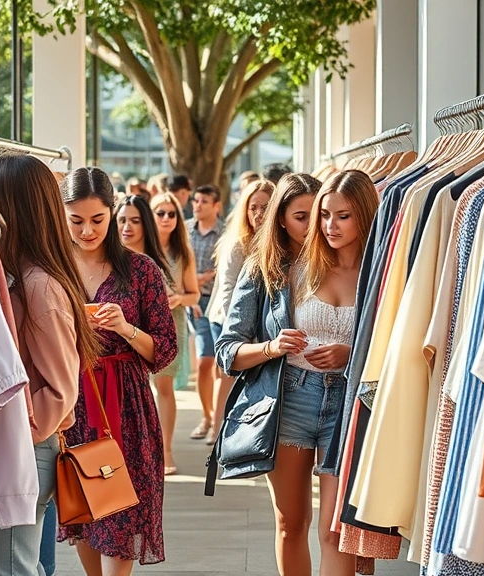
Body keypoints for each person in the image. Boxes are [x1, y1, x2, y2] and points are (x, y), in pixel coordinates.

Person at [218, 171, 374, 576]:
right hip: (290, 399)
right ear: (282, 219)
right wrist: (272, 347)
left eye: (338, 216)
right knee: (291, 524)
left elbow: (394, 341)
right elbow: (227, 350)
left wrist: (350, 353)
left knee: (335, 528)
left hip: (348, 401)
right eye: (313, 216)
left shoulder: (378, 271)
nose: (323, 226)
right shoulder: (272, 270)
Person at [0, 154, 102, 576]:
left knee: (10, 569)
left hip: (26, 450)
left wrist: (13, 435)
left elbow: (61, 387)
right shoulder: (22, 275)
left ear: (12, 207)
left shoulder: (38, 285)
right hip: (19, 448)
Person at [59, 167, 178, 575]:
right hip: (72, 404)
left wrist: (125, 328)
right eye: (76, 221)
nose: (88, 230)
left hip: (126, 408)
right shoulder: (53, 268)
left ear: (113, 213)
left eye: (97, 219)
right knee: (85, 513)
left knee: (122, 514)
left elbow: (164, 350)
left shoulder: (140, 270)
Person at [206, 179, 274, 445]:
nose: (258, 213)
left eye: (265, 207)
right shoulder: (238, 245)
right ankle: (217, 427)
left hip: (260, 325)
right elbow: (227, 293)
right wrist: (236, 335)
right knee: (227, 374)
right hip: (226, 321)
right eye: (253, 207)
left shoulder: (278, 242)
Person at [148, 192, 201, 473]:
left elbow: (195, 294)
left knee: (164, 387)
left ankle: (166, 451)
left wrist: (180, 298)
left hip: (171, 324)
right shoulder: (139, 249)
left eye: (172, 214)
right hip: (140, 324)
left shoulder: (183, 251)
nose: (167, 218)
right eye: (161, 213)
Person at [184, 183, 224, 443]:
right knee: (204, 362)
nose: (197, 205)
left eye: (204, 201)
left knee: (220, 365)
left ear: (216, 205)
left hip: (219, 303)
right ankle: (207, 416)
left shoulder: (226, 232)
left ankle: (217, 422)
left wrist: (207, 277)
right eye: (195, 200)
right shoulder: (186, 230)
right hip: (196, 303)